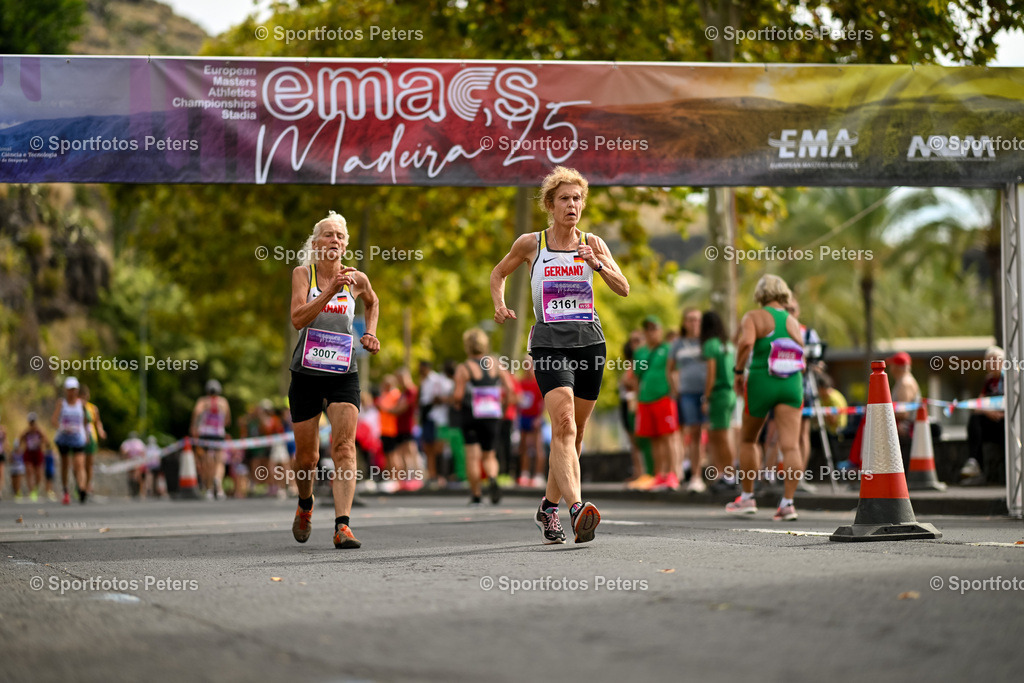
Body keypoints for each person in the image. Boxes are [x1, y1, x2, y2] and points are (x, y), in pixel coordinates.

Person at [490, 166, 629, 543]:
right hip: (550, 343)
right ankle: (577, 508)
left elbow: (624, 288)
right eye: (565, 199)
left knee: (575, 434)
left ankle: (548, 508)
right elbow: (498, 273)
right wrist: (500, 305)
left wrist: (597, 264)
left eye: (578, 199)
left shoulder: (593, 243)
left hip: (590, 342)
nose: (573, 205)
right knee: (564, 424)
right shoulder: (531, 243)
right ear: (550, 205)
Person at [288, 210, 380, 549]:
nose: (335, 240)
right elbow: (298, 319)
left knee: (344, 447)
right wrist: (329, 291)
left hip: (344, 372)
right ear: (315, 244)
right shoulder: (303, 274)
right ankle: (305, 503)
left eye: (340, 236)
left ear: (345, 245)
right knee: (307, 458)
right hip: (307, 374)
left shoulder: (357, 279)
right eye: (328, 235)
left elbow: (373, 301)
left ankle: (343, 526)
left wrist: (370, 333)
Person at [726, 275, 805, 521]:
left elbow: (746, 343)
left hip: (762, 380)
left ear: (760, 294)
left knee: (749, 439)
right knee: (791, 445)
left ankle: (748, 498)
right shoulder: (793, 322)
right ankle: (788, 503)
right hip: (791, 382)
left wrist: (739, 372)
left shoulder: (753, 317)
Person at [453, 328, 515, 505]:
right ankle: (493, 478)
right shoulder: (495, 364)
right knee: (489, 454)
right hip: (491, 413)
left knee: (472, 456)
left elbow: (458, 396)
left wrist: (456, 403)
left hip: (470, 414)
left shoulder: (464, 368)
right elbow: (510, 389)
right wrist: (503, 407)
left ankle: (476, 495)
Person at [637, 316, 680, 491]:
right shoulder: (640, 352)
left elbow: (675, 372)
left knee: (668, 437)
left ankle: (673, 475)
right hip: (645, 399)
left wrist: (675, 393)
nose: (651, 332)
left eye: (654, 328)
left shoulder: (668, 349)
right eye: (648, 329)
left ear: (660, 330)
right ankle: (659, 475)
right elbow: (636, 375)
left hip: (663, 398)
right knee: (653, 439)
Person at [668, 307, 707, 492]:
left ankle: (710, 475)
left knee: (710, 433)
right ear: (684, 322)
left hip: (707, 393)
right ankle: (692, 475)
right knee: (692, 433)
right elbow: (670, 368)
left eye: (698, 319)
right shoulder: (678, 343)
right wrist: (676, 390)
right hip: (687, 393)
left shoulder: (707, 342)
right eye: (690, 319)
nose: (694, 323)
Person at [700, 310, 736, 493]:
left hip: (719, 394)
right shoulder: (728, 344)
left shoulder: (710, 345)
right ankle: (723, 473)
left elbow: (711, 374)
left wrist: (706, 397)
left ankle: (729, 475)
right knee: (719, 435)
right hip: (729, 393)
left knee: (720, 436)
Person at [963, 346, 1006, 485]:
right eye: (988, 361)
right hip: (992, 422)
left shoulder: (1010, 379)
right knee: (975, 420)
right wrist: (989, 412)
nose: (991, 364)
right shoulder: (988, 381)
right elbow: (978, 405)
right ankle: (974, 463)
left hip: (1006, 422)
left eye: (995, 360)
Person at [191, 379, 231, 500]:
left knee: (207, 461)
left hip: (205, 433)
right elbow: (228, 421)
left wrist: (193, 427)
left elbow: (196, 413)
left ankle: (208, 489)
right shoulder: (223, 402)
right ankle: (218, 484)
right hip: (218, 433)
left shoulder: (202, 401)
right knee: (219, 460)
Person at [52, 377, 89, 504]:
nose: (72, 392)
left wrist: (87, 434)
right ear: (66, 390)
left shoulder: (81, 404)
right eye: (69, 389)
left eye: (74, 389)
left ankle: (82, 488)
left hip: (78, 437)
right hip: (64, 437)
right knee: (65, 464)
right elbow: (54, 420)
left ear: (77, 390)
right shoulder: (61, 403)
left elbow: (85, 422)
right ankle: (65, 490)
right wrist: (63, 428)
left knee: (79, 463)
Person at [515, 360, 547, 488]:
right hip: (524, 417)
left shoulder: (538, 382)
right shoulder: (521, 382)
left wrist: (539, 417)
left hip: (535, 417)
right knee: (524, 446)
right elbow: (518, 399)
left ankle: (538, 475)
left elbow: (543, 401)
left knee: (538, 446)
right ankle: (524, 473)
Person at [418, 360, 449, 488]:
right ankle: (432, 474)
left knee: (437, 447)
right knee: (428, 447)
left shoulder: (435, 380)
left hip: (435, 416)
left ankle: (440, 475)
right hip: (427, 415)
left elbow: (438, 397)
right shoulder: (424, 381)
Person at [79, 384, 105, 497]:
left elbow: (97, 422)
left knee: (89, 464)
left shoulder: (93, 408)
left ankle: (87, 485)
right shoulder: (76, 407)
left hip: (91, 438)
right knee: (80, 463)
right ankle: (80, 485)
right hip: (79, 438)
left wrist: (101, 431)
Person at [19, 413, 50, 502]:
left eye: (33, 422)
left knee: (38, 473)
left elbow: (47, 442)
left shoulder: (39, 432)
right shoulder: (26, 432)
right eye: (31, 423)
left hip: (38, 453)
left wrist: (42, 440)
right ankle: (31, 490)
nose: (32, 424)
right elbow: (20, 440)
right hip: (29, 453)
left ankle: (36, 488)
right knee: (29, 471)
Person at [120, 432, 147, 497]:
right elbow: (143, 452)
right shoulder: (135, 442)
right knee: (133, 476)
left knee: (136, 476)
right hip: (132, 461)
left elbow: (123, 451)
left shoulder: (135, 442)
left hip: (135, 461)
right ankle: (135, 491)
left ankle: (138, 491)